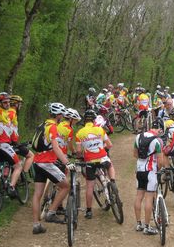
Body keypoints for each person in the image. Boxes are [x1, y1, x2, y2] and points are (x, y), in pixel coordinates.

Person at [32, 103, 73, 234]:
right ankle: (51, 212)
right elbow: (56, 147)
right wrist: (67, 162)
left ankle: (36, 225)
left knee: (37, 194)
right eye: (62, 114)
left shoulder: (42, 125)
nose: (62, 117)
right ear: (58, 115)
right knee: (66, 186)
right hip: (47, 163)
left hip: (37, 162)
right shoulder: (53, 127)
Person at [75, 109, 117, 219]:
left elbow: (79, 151)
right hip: (102, 158)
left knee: (90, 186)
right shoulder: (100, 130)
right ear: (94, 120)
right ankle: (112, 182)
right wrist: (101, 148)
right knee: (110, 165)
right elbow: (109, 145)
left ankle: (89, 211)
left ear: (84, 120)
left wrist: (80, 156)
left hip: (89, 161)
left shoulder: (79, 133)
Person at [133, 119, 164, 235]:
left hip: (139, 169)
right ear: (159, 130)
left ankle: (138, 224)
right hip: (150, 171)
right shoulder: (157, 141)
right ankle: (147, 226)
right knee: (149, 197)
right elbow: (160, 161)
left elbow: (135, 154)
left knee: (139, 195)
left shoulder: (138, 137)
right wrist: (158, 169)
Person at [9, 95, 35, 184]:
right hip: (11, 143)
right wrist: (15, 142)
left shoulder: (4, 112)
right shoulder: (12, 113)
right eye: (20, 104)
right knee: (31, 155)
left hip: (0, 142)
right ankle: (24, 175)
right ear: (15, 104)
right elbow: (11, 129)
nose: (21, 106)